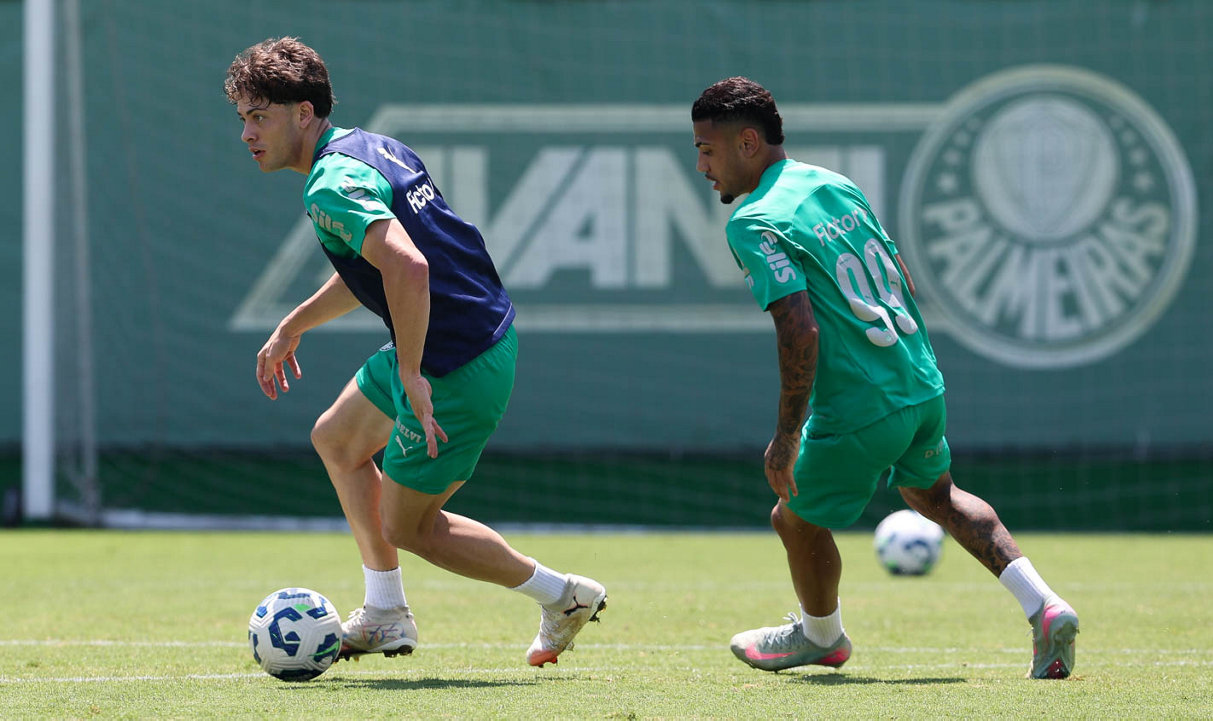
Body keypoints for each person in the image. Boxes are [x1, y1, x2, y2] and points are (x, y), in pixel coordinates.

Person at [223, 37, 605, 667]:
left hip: (453, 364)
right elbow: (376, 266)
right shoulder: (372, 148)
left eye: (259, 117)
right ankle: (385, 614)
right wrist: (294, 324)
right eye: (243, 118)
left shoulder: (330, 184)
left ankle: (561, 596)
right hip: (456, 339)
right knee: (338, 440)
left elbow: (409, 267)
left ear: (303, 113)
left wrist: (410, 373)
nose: (247, 134)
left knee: (410, 527)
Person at [690, 77, 1079, 679]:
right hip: (919, 381)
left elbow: (800, 332)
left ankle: (821, 636)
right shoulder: (834, 184)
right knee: (936, 496)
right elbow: (901, 276)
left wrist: (787, 436)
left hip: (860, 404)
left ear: (747, 143)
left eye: (707, 150)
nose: (702, 166)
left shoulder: (754, 219)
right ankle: (1045, 606)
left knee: (793, 516)